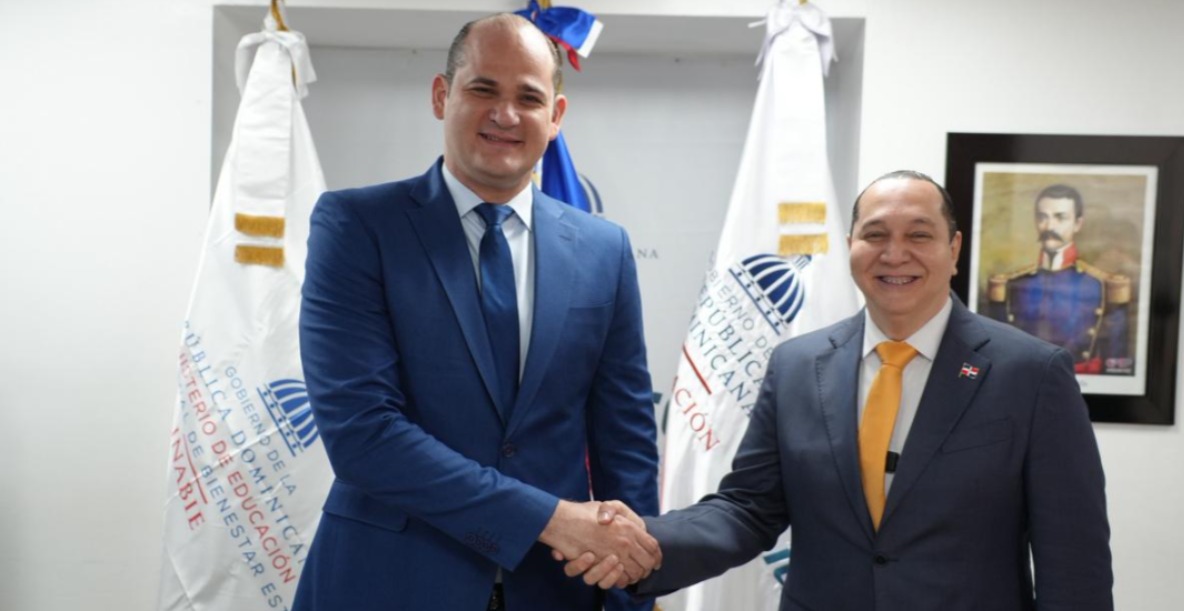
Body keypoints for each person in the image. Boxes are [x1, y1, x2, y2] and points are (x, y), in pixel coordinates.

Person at [570, 171, 1113, 609]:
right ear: (850, 245)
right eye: (875, 235)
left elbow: (1073, 559)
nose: (894, 254)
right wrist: (647, 544)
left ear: (953, 249)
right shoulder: (797, 366)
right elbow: (749, 508)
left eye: (919, 235)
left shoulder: (1031, 374)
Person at [293, 13, 660, 611]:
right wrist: (550, 519)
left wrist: (632, 591)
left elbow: (626, 441)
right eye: (483, 89)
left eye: (529, 98)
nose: (506, 115)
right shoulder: (358, 227)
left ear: (556, 116)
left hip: (557, 591)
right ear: (442, 96)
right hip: (387, 584)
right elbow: (363, 434)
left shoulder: (605, 250)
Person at [983, 183, 1132, 375]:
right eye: (1042, 217)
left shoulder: (1103, 285)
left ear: (1078, 224)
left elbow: (1115, 360)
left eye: (1060, 217)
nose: (1049, 226)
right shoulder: (1010, 284)